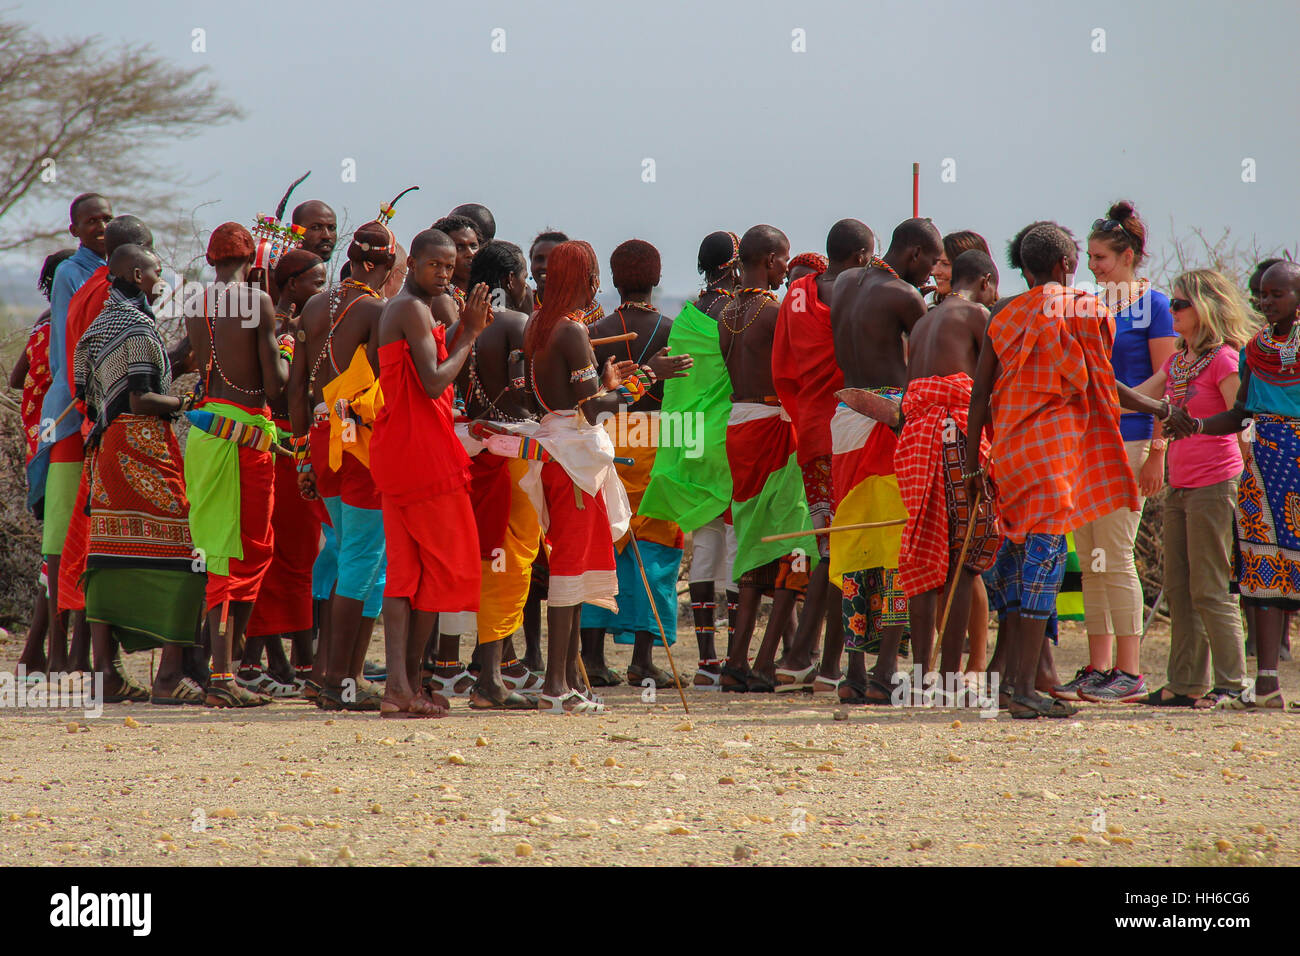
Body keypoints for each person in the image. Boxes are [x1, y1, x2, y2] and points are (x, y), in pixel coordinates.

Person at [964, 222, 1184, 719]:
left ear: (1024, 267)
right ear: (1066, 264)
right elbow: (1104, 386)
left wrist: (971, 463)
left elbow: (980, 394)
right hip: (1055, 457)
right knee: (1043, 565)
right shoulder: (1087, 309)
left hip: (1010, 454)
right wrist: (1164, 412)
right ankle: (1022, 688)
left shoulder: (1003, 313)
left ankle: (1013, 685)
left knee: (1022, 566)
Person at [73, 244, 207, 703]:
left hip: (107, 447)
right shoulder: (137, 327)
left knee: (109, 558)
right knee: (187, 556)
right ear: (135, 273)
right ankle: (168, 677)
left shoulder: (101, 326)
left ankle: (105, 675)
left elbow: (87, 392)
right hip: (142, 445)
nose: (159, 278)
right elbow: (141, 399)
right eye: (154, 271)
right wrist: (185, 402)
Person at [1060, 201, 1177, 703]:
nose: (1093, 265)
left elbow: (1167, 381)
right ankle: (1099, 666)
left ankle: (1130, 672)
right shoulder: (1091, 304)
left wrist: (1157, 450)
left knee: (1117, 554)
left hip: (1129, 440)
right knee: (1091, 559)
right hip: (1087, 439)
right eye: (1089, 256)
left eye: (1102, 257)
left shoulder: (1155, 306)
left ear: (1128, 255)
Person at [371, 228, 489, 717]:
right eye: (434, 265)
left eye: (449, 266)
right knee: (447, 567)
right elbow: (434, 379)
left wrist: (462, 330)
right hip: (422, 456)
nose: (443, 273)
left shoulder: (411, 309)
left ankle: (403, 686)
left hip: (402, 450)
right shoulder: (411, 309)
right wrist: (472, 332)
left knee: (407, 575)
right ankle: (406, 683)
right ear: (412, 264)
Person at [826, 218, 941, 703]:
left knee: (855, 543)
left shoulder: (845, 282)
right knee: (897, 543)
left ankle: (855, 672)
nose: (934, 272)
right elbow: (930, 355)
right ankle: (886, 670)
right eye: (932, 262)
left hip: (845, 414)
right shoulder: (905, 296)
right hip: (888, 418)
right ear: (913, 254)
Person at [1125, 270, 1252, 708]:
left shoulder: (1224, 360)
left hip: (1216, 483)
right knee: (1179, 587)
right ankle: (1184, 683)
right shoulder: (1178, 361)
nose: (1173, 311)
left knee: (1211, 588)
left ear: (1206, 308)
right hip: (1180, 484)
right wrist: (1092, 376)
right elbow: (1139, 395)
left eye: (1180, 304)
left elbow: (1241, 419)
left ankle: (1233, 685)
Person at [1177, 260, 1300, 710]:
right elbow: (1241, 414)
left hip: (1296, 458)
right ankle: (1266, 684)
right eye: (1262, 296)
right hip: (1263, 464)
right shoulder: (1253, 350)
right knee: (1263, 568)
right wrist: (1196, 424)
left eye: (1278, 295)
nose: (1267, 303)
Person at [523, 240, 636, 714]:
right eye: (592, 275)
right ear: (585, 280)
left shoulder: (538, 324)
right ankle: (556, 685)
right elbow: (591, 408)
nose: (596, 284)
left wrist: (605, 387)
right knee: (570, 566)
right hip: (572, 459)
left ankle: (568, 679)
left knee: (570, 562)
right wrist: (629, 387)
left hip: (556, 451)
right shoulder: (570, 331)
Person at [290, 221, 397, 709]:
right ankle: (339, 681)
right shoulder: (376, 310)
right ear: (384, 267)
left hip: (318, 434)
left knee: (358, 557)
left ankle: (332, 676)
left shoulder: (315, 304)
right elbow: (381, 392)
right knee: (361, 556)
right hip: (357, 442)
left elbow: (296, 387)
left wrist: (300, 452)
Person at [184, 222, 289, 707]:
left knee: (217, 549)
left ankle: (224, 670)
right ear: (253, 259)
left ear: (212, 260)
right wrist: (289, 346)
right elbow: (275, 387)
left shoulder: (195, 302)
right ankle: (224, 676)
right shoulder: (259, 303)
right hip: (244, 438)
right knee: (244, 552)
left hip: (205, 437)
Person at [580, 240, 693, 688]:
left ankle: (591, 659)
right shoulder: (675, 329)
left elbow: (588, 398)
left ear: (612, 279)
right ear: (657, 279)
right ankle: (643, 662)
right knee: (656, 550)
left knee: (602, 544)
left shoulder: (595, 331)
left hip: (606, 437)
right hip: (659, 442)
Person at [438, 239, 545, 706]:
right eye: (522, 276)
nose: (526, 285)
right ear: (509, 280)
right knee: (509, 561)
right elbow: (530, 396)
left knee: (481, 557)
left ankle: (469, 669)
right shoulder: (518, 324)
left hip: (468, 452)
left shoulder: (457, 327)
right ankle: (490, 678)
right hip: (512, 454)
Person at [771, 219, 874, 692]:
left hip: (811, 432)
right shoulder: (862, 290)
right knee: (844, 551)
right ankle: (829, 666)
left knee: (828, 546)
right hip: (852, 432)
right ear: (860, 256)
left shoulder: (795, 295)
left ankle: (799, 660)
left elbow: (782, 370)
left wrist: (805, 412)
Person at [894, 250, 1002, 689]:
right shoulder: (978, 314)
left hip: (915, 442)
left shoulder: (923, 321)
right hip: (955, 438)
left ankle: (922, 675)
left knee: (923, 553)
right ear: (987, 281)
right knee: (962, 558)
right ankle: (953, 677)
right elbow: (985, 393)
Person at [716, 224, 816, 692]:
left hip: (739, 428)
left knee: (756, 541)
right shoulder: (774, 313)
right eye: (784, 260)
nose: (785, 268)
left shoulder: (728, 313)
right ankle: (762, 663)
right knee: (794, 543)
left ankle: (738, 659)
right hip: (774, 429)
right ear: (772, 260)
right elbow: (797, 371)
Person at [640, 231, 741, 688]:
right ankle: (737, 654)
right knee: (738, 543)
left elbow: (679, 389)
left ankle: (706, 661)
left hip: (691, 439)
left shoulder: (686, 317)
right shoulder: (736, 313)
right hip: (725, 437)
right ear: (735, 264)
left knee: (704, 542)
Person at [56, 216, 161, 651]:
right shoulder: (114, 301)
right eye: (154, 262)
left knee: (96, 537)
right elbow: (124, 370)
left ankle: (87, 657)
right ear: (135, 267)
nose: (160, 274)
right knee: (109, 542)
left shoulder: (91, 289)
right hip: (114, 426)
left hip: (94, 420)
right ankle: (98, 659)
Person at [31, 192, 113, 677]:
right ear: (74, 231)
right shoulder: (72, 274)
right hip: (71, 411)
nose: (100, 226)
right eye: (91, 221)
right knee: (60, 536)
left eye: (106, 218)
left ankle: (81, 650)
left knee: (91, 531)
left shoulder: (118, 272)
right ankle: (58, 649)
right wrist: (84, 401)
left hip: (98, 414)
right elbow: (67, 348)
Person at [240, 249, 328, 695]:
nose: (323, 290)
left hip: (294, 442)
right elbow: (280, 388)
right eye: (316, 282)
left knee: (295, 555)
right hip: (282, 443)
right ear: (292, 285)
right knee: (284, 555)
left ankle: (288, 661)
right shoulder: (272, 322)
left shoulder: (296, 321)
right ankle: (263, 662)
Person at [13, 249, 75, 677]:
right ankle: (43, 653)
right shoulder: (64, 329)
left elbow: (16, 380)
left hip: (41, 439)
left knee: (53, 549)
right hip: (62, 441)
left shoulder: (42, 325)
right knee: (59, 550)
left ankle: (38, 654)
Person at [431, 214, 481, 307]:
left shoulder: (485, 293)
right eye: (459, 247)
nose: (470, 254)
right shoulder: (440, 299)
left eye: (473, 246)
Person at [930, 230, 990, 303]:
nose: (934, 272)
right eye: (935, 262)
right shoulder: (932, 312)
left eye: (945, 264)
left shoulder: (996, 313)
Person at [528, 230, 568, 309]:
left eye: (554, 259)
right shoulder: (516, 306)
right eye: (539, 259)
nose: (545, 266)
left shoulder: (587, 309)